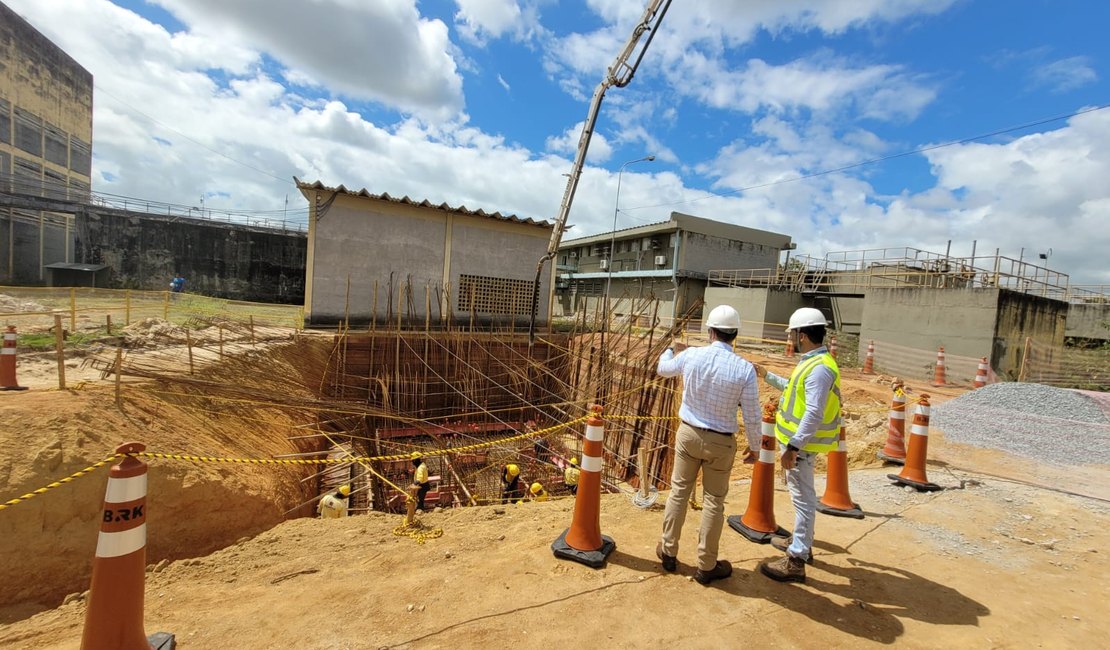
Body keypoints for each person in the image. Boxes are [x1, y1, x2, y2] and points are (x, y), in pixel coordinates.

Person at [655, 304, 761, 585]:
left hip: (689, 434)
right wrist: (755, 447)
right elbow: (752, 414)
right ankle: (706, 565)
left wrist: (670, 349)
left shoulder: (692, 356)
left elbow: (663, 369)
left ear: (710, 331)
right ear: (734, 334)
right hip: (721, 442)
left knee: (678, 492)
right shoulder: (744, 369)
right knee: (714, 502)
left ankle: (668, 552)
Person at [756, 307, 841, 584]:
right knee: (802, 497)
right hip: (801, 445)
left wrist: (793, 447)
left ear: (803, 335)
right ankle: (802, 544)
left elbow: (814, 412)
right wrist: (767, 375)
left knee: (803, 500)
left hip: (801, 447)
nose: (791, 338)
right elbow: (794, 390)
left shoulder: (819, 369)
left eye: (793, 334)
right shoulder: (814, 362)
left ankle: (796, 560)